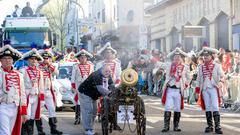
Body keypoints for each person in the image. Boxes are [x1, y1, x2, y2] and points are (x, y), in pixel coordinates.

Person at [196, 47, 224, 134]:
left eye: (207, 56)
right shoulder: (201, 67)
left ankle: (218, 126)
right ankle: (210, 126)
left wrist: (220, 81)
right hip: (204, 89)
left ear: (211, 56)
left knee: (215, 106)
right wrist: (197, 91)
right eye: (204, 56)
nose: (205, 58)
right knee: (208, 107)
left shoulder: (217, 65)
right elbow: (198, 79)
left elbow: (222, 76)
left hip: (213, 88)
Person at [78, 64, 114, 135]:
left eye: (109, 71)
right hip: (85, 93)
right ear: (102, 69)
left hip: (93, 95)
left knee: (94, 111)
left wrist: (114, 91)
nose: (108, 73)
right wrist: (110, 93)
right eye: (106, 71)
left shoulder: (108, 75)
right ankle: (87, 129)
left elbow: (111, 85)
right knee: (88, 111)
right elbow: (100, 89)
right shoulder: (96, 75)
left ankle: (90, 128)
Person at [161, 47, 190, 132]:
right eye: (175, 57)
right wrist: (175, 50)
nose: (177, 59)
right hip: (170, 89)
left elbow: (189, 77)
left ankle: (176, 126)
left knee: (177, 108)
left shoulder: (185, 67)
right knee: (168, 107)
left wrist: (185, 84)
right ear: (173, 58)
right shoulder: (169, 65)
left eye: (178, 57)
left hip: (178, 90)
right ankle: (166, 126)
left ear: (181, 58)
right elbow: (166, 57)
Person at [0, 45, 28, 135]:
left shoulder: (19, 75)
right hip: (2, 107)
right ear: (1, 60)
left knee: (12, 132)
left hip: (15, 107)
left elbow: (22, 94)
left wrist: (24, 111)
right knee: (5, 132)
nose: (7, 60)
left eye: (9, 58)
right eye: (4, 58)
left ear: (13, 60)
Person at [20, 49, 45, 135]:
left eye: (35, 59)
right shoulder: (23, 70)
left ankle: (30, 133)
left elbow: (41, 86)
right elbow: (21, 85)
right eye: (31, 59)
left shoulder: (40, 72)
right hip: (27, 96)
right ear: (28, 60)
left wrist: (42, 99)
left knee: (33, 116)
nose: (34, 61)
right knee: (27, 116)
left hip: (36, 96)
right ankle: (24, 132)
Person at [38, 49, 63, 134]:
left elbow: (56, 73)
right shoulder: (38, 66)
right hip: (40, 91)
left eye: (47, 58)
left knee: (52, 109)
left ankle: (53, 129)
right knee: (39, 110)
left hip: (48, 90)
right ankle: (40, 130)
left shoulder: (50, 66)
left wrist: (49, 65)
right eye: (44, 58)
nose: (46, 59)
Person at [71, 49, 94, 125]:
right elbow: (73, 78)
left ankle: (88, 119)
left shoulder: (91, 66)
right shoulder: (76, 66)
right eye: (81, 58)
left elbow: (93, 77)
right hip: (79, 87)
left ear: (87, 58)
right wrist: (73, 87)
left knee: (88, 103)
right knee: (78, 103)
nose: (83, 59)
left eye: (84, 57)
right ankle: (77, 118)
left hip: (88, 88)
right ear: (79, 59)